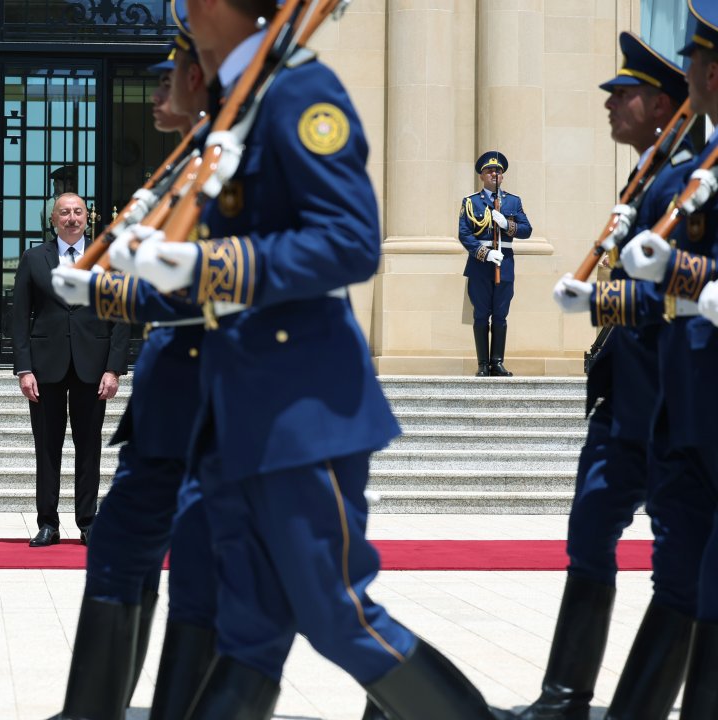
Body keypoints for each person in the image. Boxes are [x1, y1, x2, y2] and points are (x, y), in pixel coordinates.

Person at [116, 0, 514, 713]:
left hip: (300, 412)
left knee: (340, 617)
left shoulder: (297, 92)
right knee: (249, 633)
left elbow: (352, 241)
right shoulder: (242, 98)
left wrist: (206, 266)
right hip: (241, 408)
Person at [46, 31, 218, 720]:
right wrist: (98, 291)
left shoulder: (226, 154)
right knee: (118, 541)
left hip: (221, 391)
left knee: (314, 598)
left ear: (198, 80)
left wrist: (117, 289)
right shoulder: (190, 159)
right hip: (171, 388)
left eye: (167, 76)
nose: (155, 92)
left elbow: (217, 282)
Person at [537, 32, 698, 720]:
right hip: (622, 398)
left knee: (678, 560)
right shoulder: (648, 174)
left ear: (663, 105)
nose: (611, 105)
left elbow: (674, 296)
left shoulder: (681, 180)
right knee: (589, 533)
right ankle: (564, 698)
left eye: (624, 95)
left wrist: (600, 299)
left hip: (662, 399)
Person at [617, 3, 718, 714]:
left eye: (691, 61)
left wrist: (679, 270)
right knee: (682, 575)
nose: (685, 72)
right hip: (686, 406)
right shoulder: (701, 164)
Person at [14, 193, 130, 548]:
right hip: (45, 367)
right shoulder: (34, 258)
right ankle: (47, 523)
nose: (71, 217)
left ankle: (88, 521)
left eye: (77, 211)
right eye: (64, 212)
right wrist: (23, 369)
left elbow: (120, 317)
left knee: (89, 447)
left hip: (92, 368)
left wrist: (114, 369)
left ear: (86, 218)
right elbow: (19, 317)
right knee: (47, 448)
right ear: (53, 219)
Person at [458, 151, 533, 376]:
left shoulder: (513, 201)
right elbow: (464, 234)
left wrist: (507, 226)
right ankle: (482, 364)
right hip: (481, 264)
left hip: (505, 262)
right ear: (482, 176)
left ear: (503, 176)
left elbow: (527, 230)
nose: (494, 174)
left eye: (498, 171)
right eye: (489, 171)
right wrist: (485, 253)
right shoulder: (470, 202)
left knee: (500, 313)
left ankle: (497, 362)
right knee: (481, 313)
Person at [43, 165, 80, 242]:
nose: (69, 187)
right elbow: (53, 234)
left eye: (70, 184)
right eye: (65, 184)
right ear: (55, 184)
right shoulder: (51, 206)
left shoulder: (75, 204)